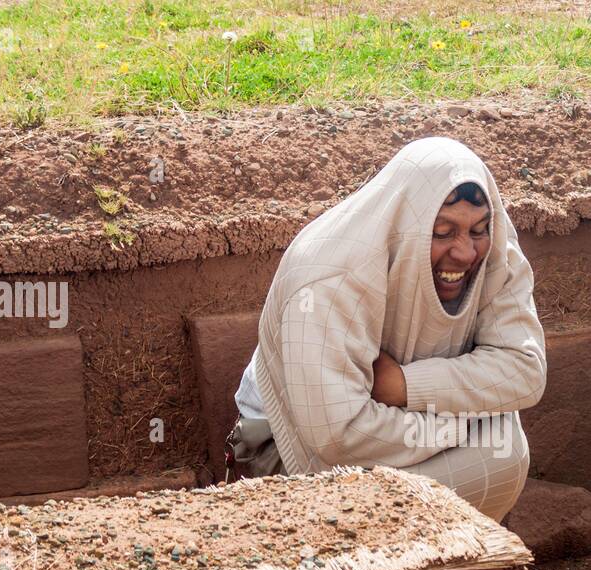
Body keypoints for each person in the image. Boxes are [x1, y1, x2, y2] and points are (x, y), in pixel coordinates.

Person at [228, 137, 546, 521]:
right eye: (443, 232)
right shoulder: (328, 277)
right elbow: (337, 437)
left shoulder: (494, 250)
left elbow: (525, 370)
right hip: (291, 443)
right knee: (500, 452)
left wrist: (405, 387)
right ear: (404, 224)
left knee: (501, 448)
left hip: (398, 422)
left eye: (477, 230)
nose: (465, 252)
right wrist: (466, 422)